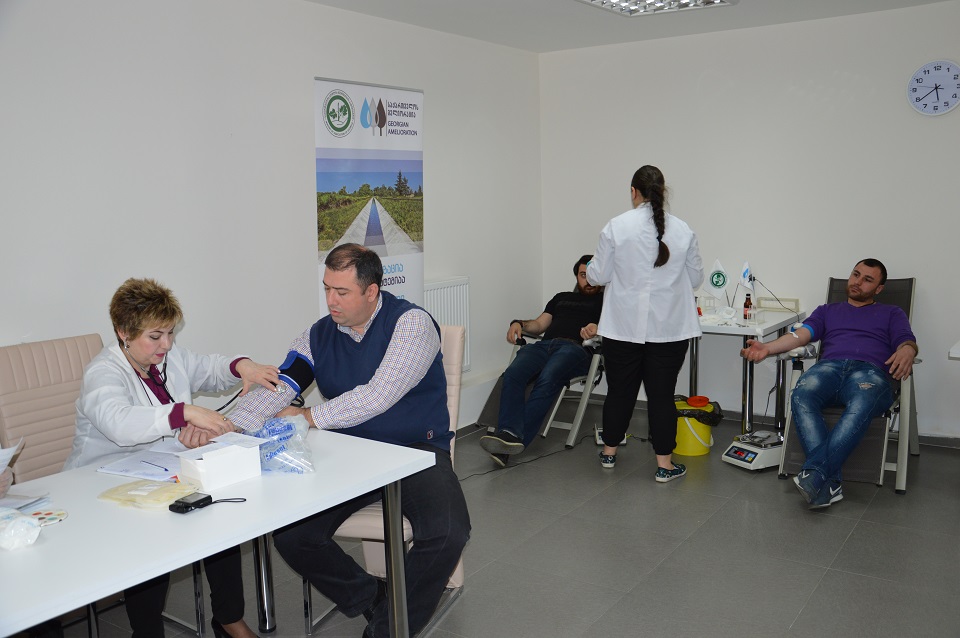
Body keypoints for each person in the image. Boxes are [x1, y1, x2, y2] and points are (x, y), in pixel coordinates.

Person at [228, 243, 471, 638]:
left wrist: (308, 416)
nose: (331, 301)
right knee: (293, 536)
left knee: (448, 531)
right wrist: (228, 426)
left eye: (342, 292)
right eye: (327, 289)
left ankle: (386, 630)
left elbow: (379, 395)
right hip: (350, 453)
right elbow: (279, 387)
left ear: (372, 291)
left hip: (415, 452)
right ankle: (374, 598)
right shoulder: (317, 335)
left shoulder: (411, 324)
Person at [65, 278, 277, 638]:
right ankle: (147, 632)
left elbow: (207, 369)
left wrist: (243, 366)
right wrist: (184, 414)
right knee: (153, 536)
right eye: (155, 336)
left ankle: (229, 619)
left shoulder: (166, 357)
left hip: (159, 472)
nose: (166, 344)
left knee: (219, 512)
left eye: (170, 333)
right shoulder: (103, 373)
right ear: (123, 333)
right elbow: (120, 423)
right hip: (100, 484)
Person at [741, 258, 917, 509]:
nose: (857, 281)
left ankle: (816, 473)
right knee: (802, 394)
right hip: (829, 369)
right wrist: (767, 348)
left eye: (867, 279)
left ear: (879, 289)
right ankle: (827, 481)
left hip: (868, 373)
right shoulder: (827, 311)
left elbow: (905, 340)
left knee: (862, 401)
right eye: (855, 274)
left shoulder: (892, 313)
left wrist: (908, 350)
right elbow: (800, 335)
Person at [586, 165, 704, 478]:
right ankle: (664, 465)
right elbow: (696, 279)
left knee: (619, 392)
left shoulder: (616, 226)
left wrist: (605, 269)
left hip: (622, 328)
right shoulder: (683, 230)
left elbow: (597, 275)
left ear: (633, 192)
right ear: (662, 192)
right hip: (669, 331)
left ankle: (609, 453)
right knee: (662, 397)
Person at [479, 255, 603, 466]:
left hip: (576, 349)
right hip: (545, 346)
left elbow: (619, 330)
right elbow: (538, 325)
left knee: (549, 377)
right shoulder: (561, 298)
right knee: (512, 374)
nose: (588, 280)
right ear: (577, 276)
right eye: (583, 275)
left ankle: (513, 439)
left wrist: (598, 330)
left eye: (593, 275)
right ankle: (508, 435)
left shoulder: (608, 301)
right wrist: (519, 323)